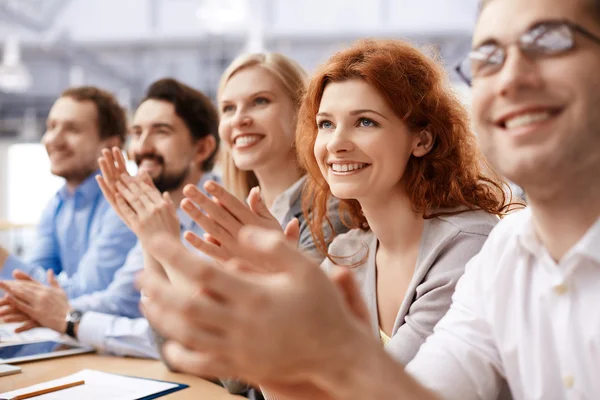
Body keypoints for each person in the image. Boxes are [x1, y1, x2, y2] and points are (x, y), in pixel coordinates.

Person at [138, 0, 600, 398]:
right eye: (488, 58)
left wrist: (307, 342)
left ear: (422, 139)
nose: (510, 78)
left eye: (550, 42)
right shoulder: (492, 255)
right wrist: (281, 330)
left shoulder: (472, 241)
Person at [0, 79, 220, 361]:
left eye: (161, 132)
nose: (141, 146)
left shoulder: (216, 216)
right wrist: (46, 309)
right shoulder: (150, 211)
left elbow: (187, 335)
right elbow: (121, 298)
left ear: (202, 149)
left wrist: (66, 316)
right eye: (137, 133)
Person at [182, 53, 346, 267]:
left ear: (302, 111)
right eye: (228, 108)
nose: (239, 120)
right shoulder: (237, 211)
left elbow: (302, 298)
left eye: (260, 101)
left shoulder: (333, 211)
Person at [0, 87, 137, 308]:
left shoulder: (125, 204)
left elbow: (85, 293)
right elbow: (31, 285)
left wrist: (2, 260)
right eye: (51, 126)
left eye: (72, 129)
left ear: (110, 146)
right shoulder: (57, 205)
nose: (54, 139)